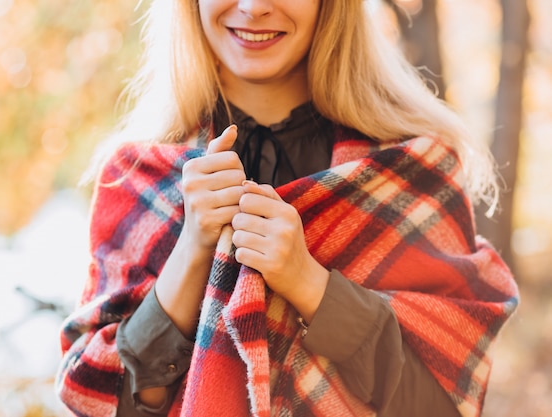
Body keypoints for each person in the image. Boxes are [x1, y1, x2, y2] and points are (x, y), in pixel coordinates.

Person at [56, 1, 518, 416]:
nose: (254, 7)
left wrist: (307, 282)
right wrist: (193, 246)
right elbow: (100, 398)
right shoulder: (137, 175)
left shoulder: (413, 171)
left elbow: (443, 404)